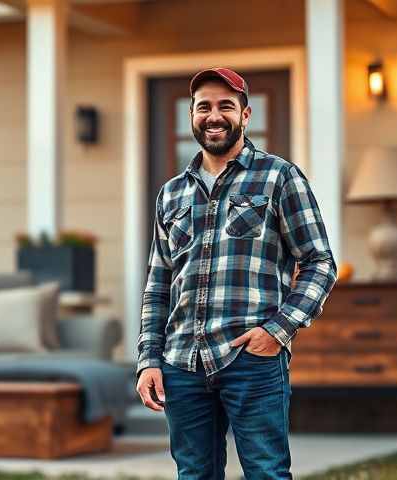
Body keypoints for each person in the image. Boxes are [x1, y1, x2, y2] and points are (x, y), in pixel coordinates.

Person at [135, 67, 337, 479]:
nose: (214, 115)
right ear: (191, 116)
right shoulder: (171, 193)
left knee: (266, 473)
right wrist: (148, 359)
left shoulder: (279, 177)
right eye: (203, 107)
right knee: (194, 475)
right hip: (181, 363)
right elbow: (158, 285)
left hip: (251, 360)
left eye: (225, 106)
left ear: (245, 115)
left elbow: (320, 263)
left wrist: (276, 330)